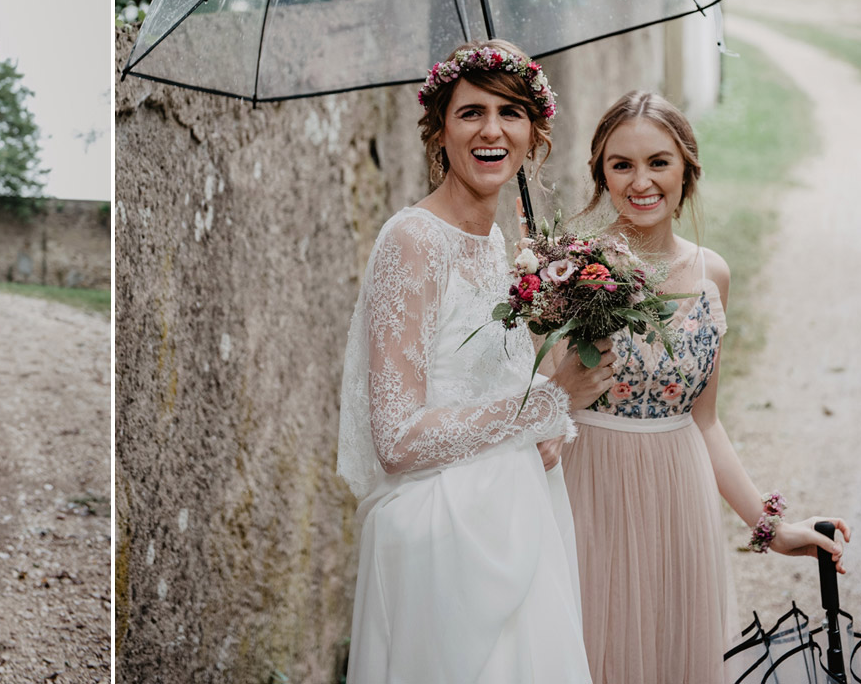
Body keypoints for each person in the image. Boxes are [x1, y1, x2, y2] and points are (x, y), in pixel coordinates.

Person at [337, 39, 612, 683]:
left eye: (511, 112)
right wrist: (550, 402)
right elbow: (399, 437)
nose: (492, 130)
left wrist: (547, 424)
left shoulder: (497, 243)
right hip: (444, 540)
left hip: (515, 513)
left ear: (534, 135)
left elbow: (488, 389)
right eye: (472, 113)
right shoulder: (412, 240)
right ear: (438, 132)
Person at [559, 90, 850, 684]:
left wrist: (769, 529)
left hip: (678, 494)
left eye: (658, 162)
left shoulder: (710, 272)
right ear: (601, 174)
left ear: (687, 167)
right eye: (622, 164)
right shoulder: (572, 272)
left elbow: (704, 418)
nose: (641, 182)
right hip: (590, 490)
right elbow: (546, 400)